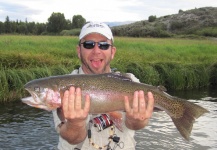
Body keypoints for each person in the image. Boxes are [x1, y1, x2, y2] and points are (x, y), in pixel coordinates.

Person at [52, 21, 155, 150]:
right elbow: (72, 138)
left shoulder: (130, 82)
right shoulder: (65, 86)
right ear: (79, 51)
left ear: (112, 51)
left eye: (104, 45)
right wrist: (75, 124)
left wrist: (137, 120)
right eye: (89, 45)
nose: (96, 51)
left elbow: (135, 125)